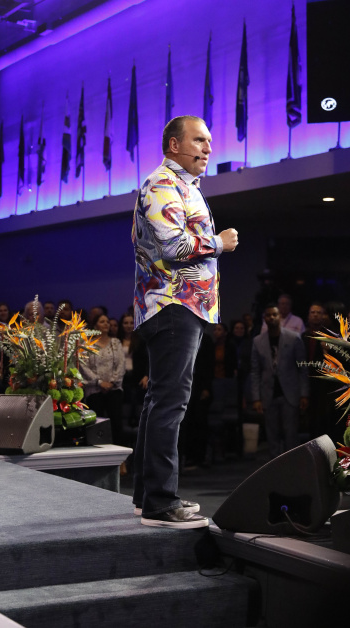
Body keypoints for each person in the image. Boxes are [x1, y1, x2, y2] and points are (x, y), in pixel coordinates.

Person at [131, 115, 238, 528]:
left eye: (209, 141)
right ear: (174, 145)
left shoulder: (183, 186)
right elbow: (173, 246)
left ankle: (146, 496)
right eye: (199, 140)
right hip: (174, 305)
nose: (208, 148)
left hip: (177, 305)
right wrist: (219, 242)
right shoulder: (163, 184)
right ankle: (161, 503)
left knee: (159, 401)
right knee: (170, 403)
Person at [250, 303, 309, 459]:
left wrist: (304, 393)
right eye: (268, 315)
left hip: (289, 393)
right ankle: (275, 469)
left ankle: (293, 466)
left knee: (291, 434)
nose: (272, 318)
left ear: (280, 317)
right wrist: (256, 398)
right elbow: (255, 371)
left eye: (274, 315)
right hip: (268, 393)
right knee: (272, 436)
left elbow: (302, 367)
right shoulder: (258, 341)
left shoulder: (293, 337)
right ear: (264, 318)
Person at [81, 312, 125, 444]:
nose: (106, 324)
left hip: (113, 388)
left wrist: (112, 382)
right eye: (102, 321)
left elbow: (121, 364)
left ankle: (120, 452)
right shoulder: (87, 344)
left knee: (116, 422)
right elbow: (84, 366)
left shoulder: (116, 342)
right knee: (96, 422)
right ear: (95, 325)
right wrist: (99, 382)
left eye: (107, 321)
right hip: (94, 388)